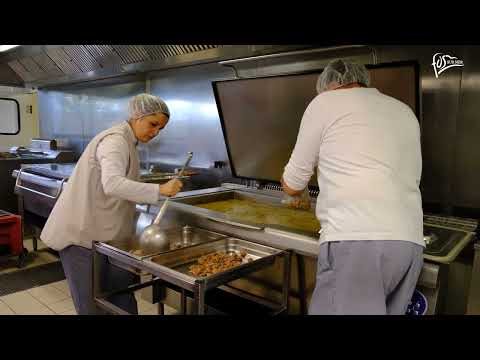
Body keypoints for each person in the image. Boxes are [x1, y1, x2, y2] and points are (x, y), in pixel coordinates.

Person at [281, 59, 425, 315]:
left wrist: (292, 183)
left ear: (328, 85)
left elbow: (293, 184)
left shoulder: (324, 103)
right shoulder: (404, 110)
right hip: (409, 243)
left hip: (358, 242)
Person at [40, 93, 183, 315]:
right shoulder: (115, 141)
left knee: (120, 298)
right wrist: (161, 190)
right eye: (153, 124)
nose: (155, 132)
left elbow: (120, 184)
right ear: (137, 116)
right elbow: (113, 184)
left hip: (106, 238)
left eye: (160, 129)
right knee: (91, 307)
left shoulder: (128, 141)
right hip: (81, 238)